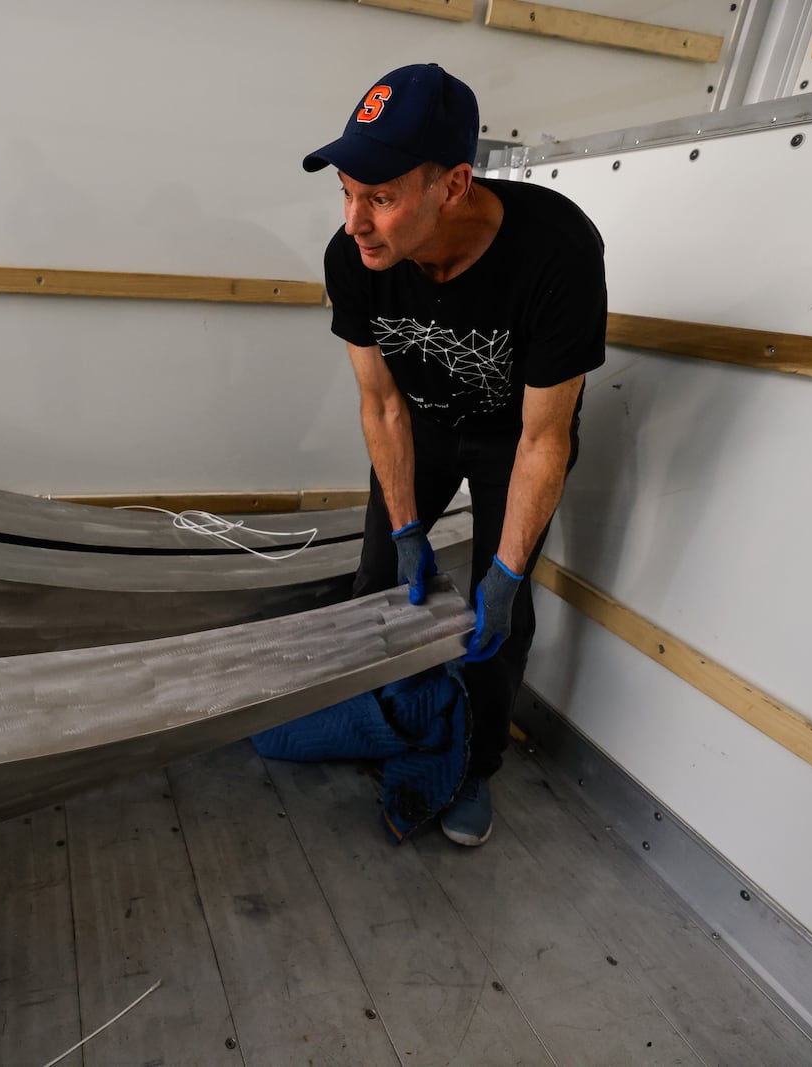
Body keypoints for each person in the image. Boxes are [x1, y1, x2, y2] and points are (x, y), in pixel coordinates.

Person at [303, 63, 607, 847]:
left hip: (518, 436)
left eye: (380, 197)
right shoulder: (354, 261)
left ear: (454, 185)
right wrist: (405, 529)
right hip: (424, 425)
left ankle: (473, 763)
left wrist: (504, 573)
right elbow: (381, 403)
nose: (354, 221)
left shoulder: (558, 252)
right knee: (378, 579)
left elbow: (547, 437)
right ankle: (393, 723)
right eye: (346, 190)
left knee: (496, 617)